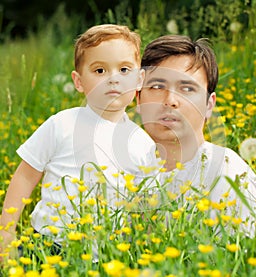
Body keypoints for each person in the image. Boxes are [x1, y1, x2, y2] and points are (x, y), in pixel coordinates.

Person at [0, 24, 158, 262]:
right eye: (100, 70)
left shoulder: (142, 144)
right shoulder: (61, 124)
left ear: (139, 79)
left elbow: (146, 206)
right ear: (78, 81)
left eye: (124, 69)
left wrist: (144, 249)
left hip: (108, 255)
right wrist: (6, 232)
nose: (113, 79)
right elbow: (25, 176)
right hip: (47, 245)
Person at [137, 35, 256, 236]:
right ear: (138, 98)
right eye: (156, 87)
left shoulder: (229, 176)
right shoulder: (121, 172)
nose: (170, 100)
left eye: (187, 88)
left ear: (209, 105)